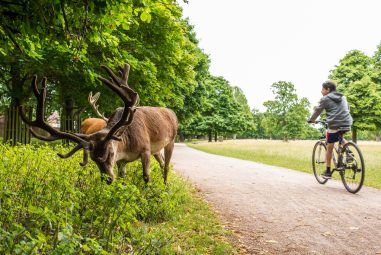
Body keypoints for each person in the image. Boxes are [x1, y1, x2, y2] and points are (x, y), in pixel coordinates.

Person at [307, 80, 353, 179]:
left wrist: (311, 120)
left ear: (328, 90)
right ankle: (349, 151)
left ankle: (328, 171)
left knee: (329, 146)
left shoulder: (325, 98)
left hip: (334, 124)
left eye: (322, 89)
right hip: (347, 122)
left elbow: (318, 110)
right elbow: (347, 109)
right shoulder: (343, 97)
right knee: (339, 136)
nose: (321, 91)